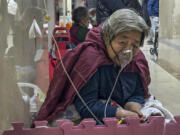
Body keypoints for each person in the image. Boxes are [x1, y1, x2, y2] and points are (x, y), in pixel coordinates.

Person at [34, 9, 150, 125]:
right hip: (95, 117)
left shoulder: (137, 60)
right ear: (106, 36)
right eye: (122, 43)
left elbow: (139, 92)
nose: (128, 51)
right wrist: (119, 113)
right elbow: (87, 105)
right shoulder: (90, 60)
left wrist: (133, 105)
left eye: (135, 45)